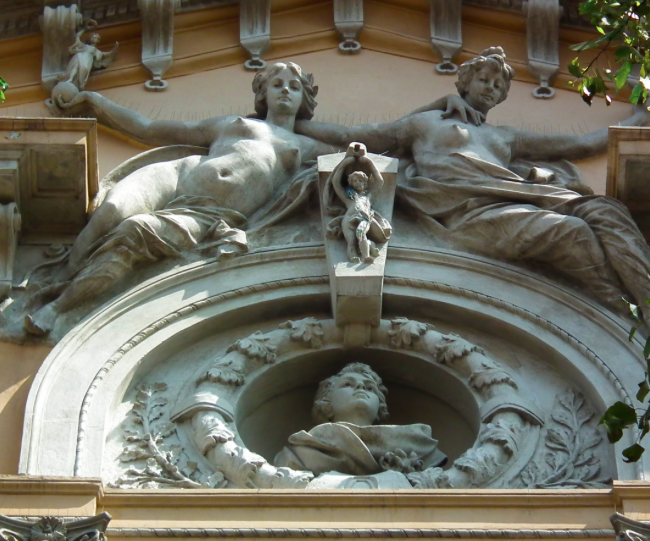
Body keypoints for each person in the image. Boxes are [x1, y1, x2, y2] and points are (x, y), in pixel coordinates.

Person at [295, 47, 650, 330]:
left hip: (516, 196)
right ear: (465, 83)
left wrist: (639, 117)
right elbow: (352, 135)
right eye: (484, 80)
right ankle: (626, 309)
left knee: (606, 210)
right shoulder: (427, 122)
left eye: (499, 86)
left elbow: (579, 145)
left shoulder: (506, 137)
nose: (491, 88)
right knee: (571, 232)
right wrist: (287, 122)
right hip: (469, 210)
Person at [22, 62, 336, 335]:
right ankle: (57, 281)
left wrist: (330, 129)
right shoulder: (232, 123)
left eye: (294, 87)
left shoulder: (306, 146)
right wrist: (94, 103)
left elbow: (357, 138)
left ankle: (58, 308)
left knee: (134, 231)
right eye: (277, 84)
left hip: (208, 214)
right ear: (263, 94)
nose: (285, 90)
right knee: (111, 211)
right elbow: (148, 128)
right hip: (176, 175)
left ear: (304, 99)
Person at [274, 363, 446, 476]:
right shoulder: (302, 451)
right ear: (326, 401)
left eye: (370, 388)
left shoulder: (416, 443)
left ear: (380, 407)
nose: (361, 386)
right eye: (347, 384)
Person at [324, 143, 392, 263]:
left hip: (363, 218)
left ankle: (366, 256)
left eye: (361, 181)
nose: (358, 183)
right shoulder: (348, 198)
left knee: (361, 233)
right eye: (355, 181)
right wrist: (345, 163)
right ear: (351, 184)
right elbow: (336, 182)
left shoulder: (368, 197)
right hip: (348, 219)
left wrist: (368, 162)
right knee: (351, 240)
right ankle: (354, 257)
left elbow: (379, 182)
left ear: (365, 183)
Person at [63, 20, 119, 90]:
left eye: (95, 38)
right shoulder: (84, 46)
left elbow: (107, 54)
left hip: (87, 60)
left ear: (98, 40)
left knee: (84, 69)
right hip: (79, 56)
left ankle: (78, 83)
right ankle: (70, 79)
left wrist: (114, 49)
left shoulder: (96, 51)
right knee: (76, 66)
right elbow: (77, 37)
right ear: (89, 39)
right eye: (92, 37)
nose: (93, 39)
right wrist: (85, 29)